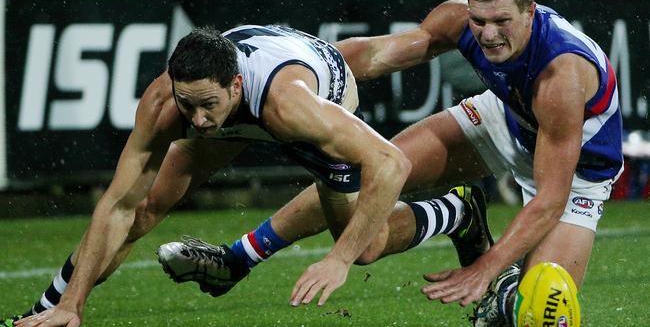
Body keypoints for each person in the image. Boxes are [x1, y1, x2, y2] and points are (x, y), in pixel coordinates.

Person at [155, 0, 622, 325]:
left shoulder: (561, 76)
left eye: (502, 20)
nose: (489, 34)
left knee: (539, 311)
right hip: (504, 118)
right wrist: (307, 67)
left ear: (530, 13)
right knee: (360, 175)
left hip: (578, 174)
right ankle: (235, 258)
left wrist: (486, 270)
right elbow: (377, 54)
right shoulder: (460, 22)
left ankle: (489, 264)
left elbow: (550, 198)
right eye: (480, 20)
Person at [8, 24, 492, 326]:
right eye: (187, 104)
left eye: (207, 105)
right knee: (143, 210)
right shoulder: (168, 103)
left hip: (324, 88)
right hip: (254, 97)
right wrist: (70, 303)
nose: (195, 120)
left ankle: (457, 210)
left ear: (235, 84)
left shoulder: (291, 108)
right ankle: (43, 314)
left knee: (365, 245)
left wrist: (338, 260)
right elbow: (117, 205)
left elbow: (392, 163)